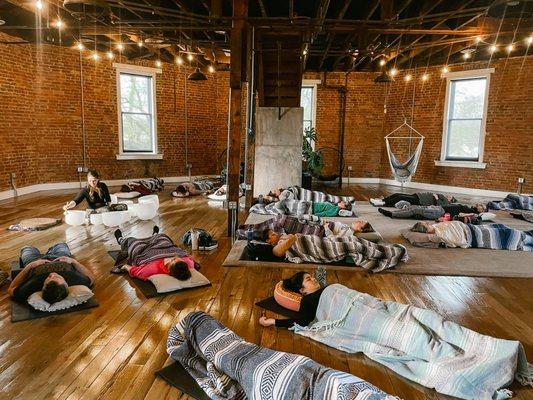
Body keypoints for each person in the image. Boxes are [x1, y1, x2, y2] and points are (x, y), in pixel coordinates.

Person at [8, 243, 94, 304]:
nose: (53, 274)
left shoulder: (32, 286)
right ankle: (51, 250)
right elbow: (91, 278)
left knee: (26, 247)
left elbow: (11, 289)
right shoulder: (76, 280)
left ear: (43, 287)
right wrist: (73, 261)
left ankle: (45, 251)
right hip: (60, 256)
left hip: (34, 260)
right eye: (58, 277)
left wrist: (29, 266)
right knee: (61, 244)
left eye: (48, 278)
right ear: (66, 284)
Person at [113, 226, 194, 281]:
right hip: (164, 246)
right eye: (178, 258)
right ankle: (155, 235)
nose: (175, 256)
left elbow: (134, 271)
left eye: (173, 259)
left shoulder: (152, 269)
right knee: (162, 237)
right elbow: (189, 258)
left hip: (144, 251)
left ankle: (120, 239)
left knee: (133, 242)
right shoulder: (188, 264)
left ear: (169, 269)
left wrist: (124, 266)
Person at [411, 220, 533, 251]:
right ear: (427, 231)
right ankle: (526, 239)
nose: (428, 223)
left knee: (499, 226)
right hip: (473, 236)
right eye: (427, 224)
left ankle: (526, 235)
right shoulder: (439, 235)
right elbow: (457, 239)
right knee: (509, 234)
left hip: (471, 228)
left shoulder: (437, 227)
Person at [259, 271, 324, 328]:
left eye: (312, 277)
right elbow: (301, 322)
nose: (314, 279)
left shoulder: (323, 290)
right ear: (302, 290)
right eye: (308, 279)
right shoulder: (307, 300)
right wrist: (272, 321)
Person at [378, 203, 486, 221]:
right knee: (414, 207)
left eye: (482, 206)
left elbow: (470, 216)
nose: (479, 205)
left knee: (415, 209)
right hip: (438, 208)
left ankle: (392, 214)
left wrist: (477, 213)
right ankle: (394, 212)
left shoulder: (473, 213)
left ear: (482, 210)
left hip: (440, 212)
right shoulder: (469, 207)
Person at [370, 192, 456, 207]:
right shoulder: (443, 197)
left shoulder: (446, 203)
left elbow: (440, 206)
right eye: (449, 196)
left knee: (400, 198)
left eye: (450, 197)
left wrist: (437, 198)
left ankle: (383, 203)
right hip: (418, 196)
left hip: (420, 201)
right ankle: (382, 200)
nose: (448, 196)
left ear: (450, 201)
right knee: (397, 194)